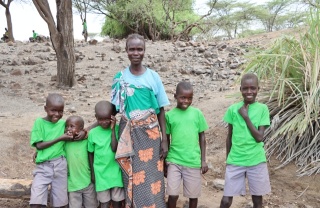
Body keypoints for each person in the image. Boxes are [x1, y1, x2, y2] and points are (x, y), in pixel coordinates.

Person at [111, 33, 170, 207]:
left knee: (152, 176)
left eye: (139, 49)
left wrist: (164, 139)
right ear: (126, 51)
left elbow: (161, 110)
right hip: (128, 134)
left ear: (144, 51)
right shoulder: (119, 78)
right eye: (132, 49)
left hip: (151, 136)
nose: (135, 53)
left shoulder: (153, 77)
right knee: (132, 175)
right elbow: (113, 109)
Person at [219, 73, 271, 208]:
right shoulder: (232, 109)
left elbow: (259, 137)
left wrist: (246, 117)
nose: (249, 92)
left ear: (258, 89)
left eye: (253, 88)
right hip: (236, 159)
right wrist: (228, 159)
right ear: (240, 89)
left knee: (257, 201)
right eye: (245, 88)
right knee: (225, 201)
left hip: (256, 160)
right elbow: (229, 136)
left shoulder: (262, 109)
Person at [30, 93, 84, 208]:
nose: (57, 114)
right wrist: (60, 138)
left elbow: (77, 130)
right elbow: (39, 145)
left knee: (60, 202)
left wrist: (84, 132)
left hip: (60, 165)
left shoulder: (63, 124)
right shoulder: (39, 123)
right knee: (36, 202)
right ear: (45, 109)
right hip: (43, 166)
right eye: (53, 110)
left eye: (60, 111)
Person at [165, 81, 209, 208]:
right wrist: (165, 162)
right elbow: (166, 140)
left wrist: (203, 160)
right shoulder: (169, 116)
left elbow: (202, 137)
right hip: (174, 160)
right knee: (172, 194)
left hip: (193, 161)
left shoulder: (197, 114)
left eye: (189, 98)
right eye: (183, 97)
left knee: (193, 196)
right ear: (175, 96)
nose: (186, 101)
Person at [88, 101, 124, 208]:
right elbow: (90, 154)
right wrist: (93, 173)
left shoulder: (117, 129)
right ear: (96, 117)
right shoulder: (93, 133)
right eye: (100, 119)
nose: (104, 122)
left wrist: (112, 129)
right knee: (104, 202)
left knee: (117, 201)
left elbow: (114, 148)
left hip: (115, 172)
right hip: (100, 173)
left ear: (112, 117)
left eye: (107, 119)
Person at [64, 115, 98, 208]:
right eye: (66, 126)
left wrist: (85, 131)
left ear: (81, 129)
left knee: (92, 205)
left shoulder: (86, 140)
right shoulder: (64, 142)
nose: (68, 129)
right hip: (72, 184)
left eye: (72, 126)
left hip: (88, 182)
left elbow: (99, 122)